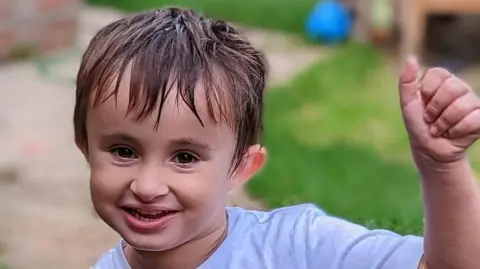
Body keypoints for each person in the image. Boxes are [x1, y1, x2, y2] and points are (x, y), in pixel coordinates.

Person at [75, 7, 480, 269]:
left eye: (184, 157)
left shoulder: (297, 248)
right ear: (85, 146)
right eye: (123, 151)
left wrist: (442, 167)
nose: (146, 186)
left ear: (242, 167)